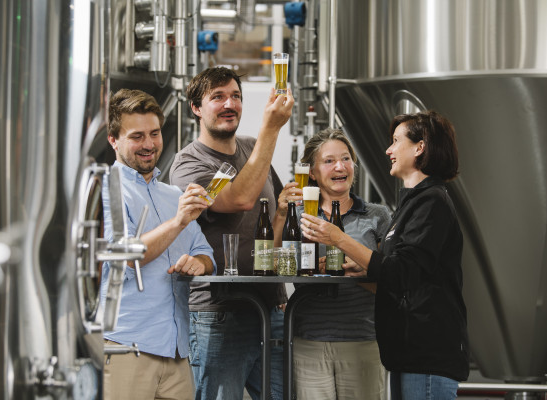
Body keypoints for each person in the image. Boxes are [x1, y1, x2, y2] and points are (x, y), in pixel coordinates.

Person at [300, 111, 469, 399]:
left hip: (428, 353)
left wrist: (338, 238)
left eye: (396, 141)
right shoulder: (412, 204)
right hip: (407, 352)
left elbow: (401, 274)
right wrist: (363, 269)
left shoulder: (432, 202)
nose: (388, 150)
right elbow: (394, 268)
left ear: (420, 147)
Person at [169, 67, 294, 400]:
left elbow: (273, 222)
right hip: (218, 313)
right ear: (196, 107)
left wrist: (279, 290)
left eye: (236, 96)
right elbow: (240, 199)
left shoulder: (253, 148)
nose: (230, 104)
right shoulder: (188, 164)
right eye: (218, 97)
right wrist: (272, 128)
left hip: (269, 309)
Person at [100, 89, 216, 400]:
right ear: (113, 140)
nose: (149, 144)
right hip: (127, 347)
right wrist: (178, 222)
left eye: (154, 133)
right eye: (137, 136)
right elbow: (124, 255)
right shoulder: (107, 188)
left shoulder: (173, 195)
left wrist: (199, 263)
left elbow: (206, 253)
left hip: (176, 351)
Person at [272, 128, 392, 400]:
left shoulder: (378, 216)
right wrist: (280, 214)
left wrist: (354, 270)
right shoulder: (298, 214)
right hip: (309, 340)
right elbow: (271, 261)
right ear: (312, 173)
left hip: (363, 339)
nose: (340, 167)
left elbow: (391, 282)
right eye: (329, 161)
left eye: (346, 158)